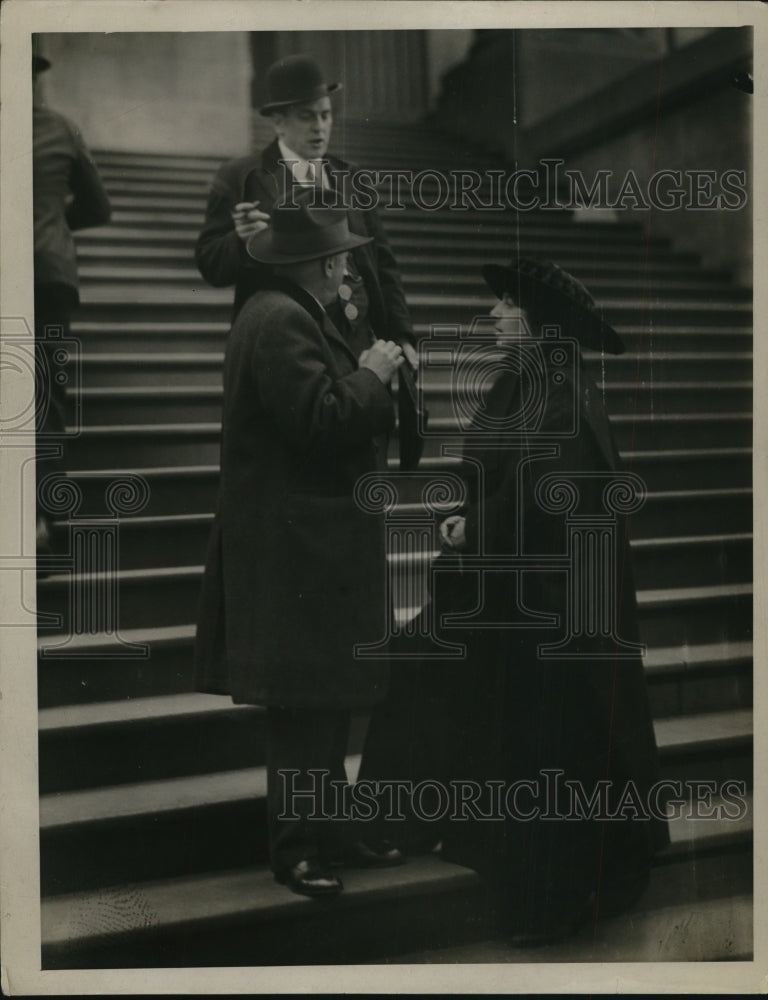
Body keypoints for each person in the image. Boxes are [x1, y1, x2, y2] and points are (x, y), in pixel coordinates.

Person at [359, 257, 669, 944]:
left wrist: (481, 525)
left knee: (544, 734)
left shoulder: (565, 392)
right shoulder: (520, 383)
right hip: (508, 583)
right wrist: (468, 513)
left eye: (506, 306)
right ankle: (420, 817)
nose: (494, 316)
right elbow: (493, 471)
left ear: (539, 323)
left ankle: (554, 896)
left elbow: (554, 494)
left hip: (555, 607)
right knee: (422, 659)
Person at [194, 192, 407, 898]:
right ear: (315, 265)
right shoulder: (282, 320)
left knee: (325, 698)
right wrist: (373, 376)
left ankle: (331, 831)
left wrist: (377, 381)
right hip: (295, 550)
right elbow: (317, 420)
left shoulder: (291, 312)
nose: (350, 268)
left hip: (312, 544)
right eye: (341, 257)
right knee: (300, 707)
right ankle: (298, 850)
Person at [194, 52, 422, 470]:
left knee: (358, 454)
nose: (320, 127)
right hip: (293, 345)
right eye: (306, 117)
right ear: (278, 121)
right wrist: (240, 240)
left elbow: (383, 265)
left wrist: (401, 334)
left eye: (325, 115)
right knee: (306, 456)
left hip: (357, 344)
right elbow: (209, 263)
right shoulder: (243, 176)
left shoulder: (353, 177)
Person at [32, 52, 112, 552]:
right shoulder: (61, 128)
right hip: (49, 276)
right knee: (44, 393)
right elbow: (99, 206)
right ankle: (44, 515)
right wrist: (56, 226)